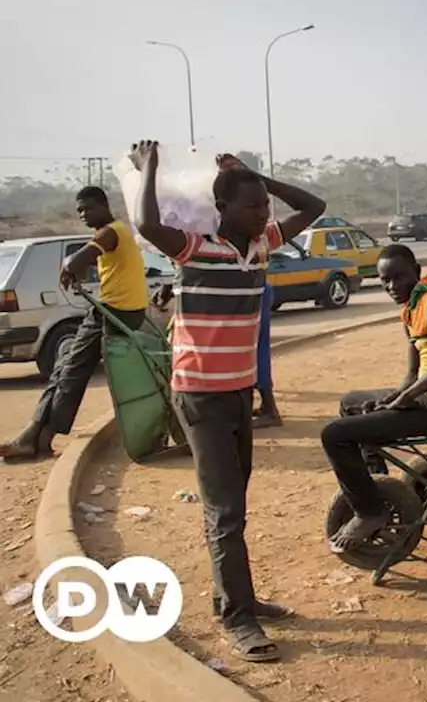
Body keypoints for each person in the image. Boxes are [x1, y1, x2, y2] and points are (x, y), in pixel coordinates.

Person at [129, 139, 326, 663]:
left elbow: (315, 207)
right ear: (222, 210)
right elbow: (148, 226)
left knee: (233, 502)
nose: (264, 213)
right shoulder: (195, 247)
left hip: (239, 391)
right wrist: (149, 169)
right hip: (199, 394)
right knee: (224, 510)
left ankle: (234, 597)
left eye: (264, 206)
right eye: (253, 205)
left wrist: (255, 175)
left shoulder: (261, 246)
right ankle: (240, 620)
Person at [322, 244, 427, 553]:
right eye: (385, 280)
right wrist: (394, 398)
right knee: (351, 404)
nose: (392, 286)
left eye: (400, 277)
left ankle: (369, 512)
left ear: (417, 272)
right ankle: (376, 486)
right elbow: (412, 374)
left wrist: (407, 397)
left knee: (334, 435)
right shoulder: (412, 308)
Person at [1, 187, 149, 462]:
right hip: (117, 310)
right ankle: (38, 437)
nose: (83, 214)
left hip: (113, 312)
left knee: (69, 371)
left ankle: (36, 436)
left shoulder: (110, 232)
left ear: (104, 206)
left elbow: (76, 259)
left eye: (88, 208)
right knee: (67, 369)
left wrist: (69, 266)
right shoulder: (114, 233)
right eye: (79, 210)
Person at [253, 283, 281, 428]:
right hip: (254, 291)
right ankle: (267, 407)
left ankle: (270, 411)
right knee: (256, 350)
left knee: (256, 352)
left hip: (253, 292)